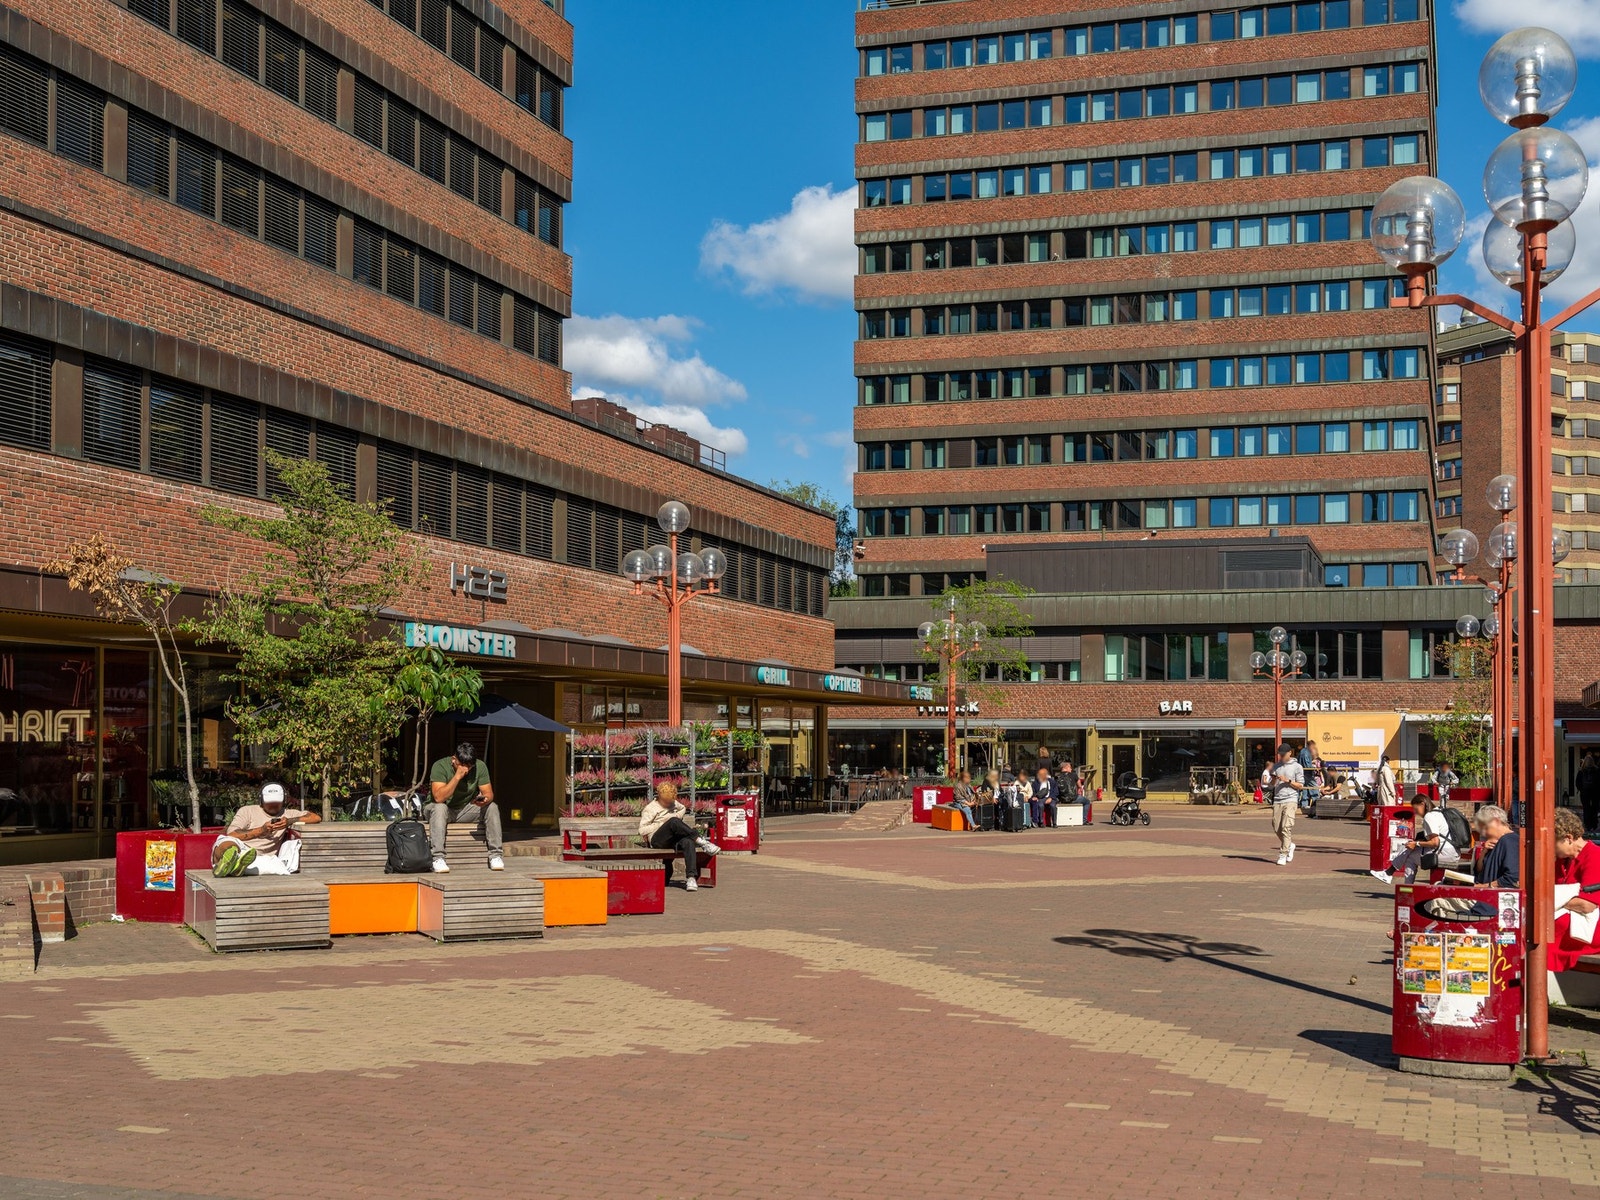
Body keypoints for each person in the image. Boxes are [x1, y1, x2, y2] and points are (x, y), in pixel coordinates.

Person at [212, 783, 321, 876]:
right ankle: (231, 860)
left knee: (273, 865)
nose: (273, 805)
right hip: (241, 848)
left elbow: (316, 817)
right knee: (225, 842)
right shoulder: (247, 811)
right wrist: (261, 830)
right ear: (261, 800)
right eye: (269, 802)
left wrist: (289, 821)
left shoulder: (287, 814)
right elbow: (232, 834)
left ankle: (234, 866)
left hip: (260, 859)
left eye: (276, 802)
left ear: (283, 800)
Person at [427, 742, 503, 873]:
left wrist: (484, 800)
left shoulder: (480, 766)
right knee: (440, 808)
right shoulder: (439, 766)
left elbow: (489, 794)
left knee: (492, 807)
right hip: (439, 809)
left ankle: (496, 855)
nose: (466, 769)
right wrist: (457, 777)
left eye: (470, 766)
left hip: (465, 809)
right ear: (454, 759)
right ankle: (438, 858)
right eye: (462, 765)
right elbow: (439, 798)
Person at [639, 781, 719, 891]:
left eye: (670, 801)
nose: (669, 803)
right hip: (657, 840)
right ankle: (701, 841)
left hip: (672, 838)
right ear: (660, 797)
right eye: (666, 801)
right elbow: (642, 830)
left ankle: (691, 878)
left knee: (688, 842)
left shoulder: (673, 803)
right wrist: (662, 824)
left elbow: (682, 808)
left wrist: (676, 816)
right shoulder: (650, 808)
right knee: (673, 821)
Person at [1371, 794, 1461, 885]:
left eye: (1416, 809)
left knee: (1410, 856)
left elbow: (1435, 842)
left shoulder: (1429, 816)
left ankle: (1403, 884)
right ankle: (1390, 874)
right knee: (1410, 848)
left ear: (1422, 804)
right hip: (1453, 852)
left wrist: (1417, 843)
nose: (1415, 812)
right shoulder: (1439, 812)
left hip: (1445, 854)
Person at [1551, 808, 1600, 972]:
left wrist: (1555, 899)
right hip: (1572, 923)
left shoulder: (1594, 856)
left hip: (1590, 928)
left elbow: (1587, 905)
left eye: (1553, 843)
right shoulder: (1562, 860)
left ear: (1568, 839)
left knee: (1546, 929)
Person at [1268, 743, 1302, 866]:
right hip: (1278, 799)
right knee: (1276, 827)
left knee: (1286, 827)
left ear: (1290, 753)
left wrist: (1288, 780)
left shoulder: (1297, 767)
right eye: (1280, 754)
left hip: (1291, 799)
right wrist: (1273, 780)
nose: (1281, 756)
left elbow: (1300, 785)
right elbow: (1271, 785)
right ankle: (1290, 845)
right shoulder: (1276, 766)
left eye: (1283, 754)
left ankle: (1283, 854)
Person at [1577, 753, 1600, 835]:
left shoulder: (1581, 771)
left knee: (1586, 808)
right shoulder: (1597, 770)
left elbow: (1578, 782)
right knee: (1594, 808)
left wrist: (1581, 789)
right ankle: (1594, 824)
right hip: (1595, 792)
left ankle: (1587, 825)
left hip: (1585, 792)